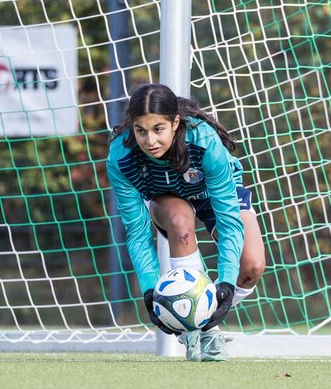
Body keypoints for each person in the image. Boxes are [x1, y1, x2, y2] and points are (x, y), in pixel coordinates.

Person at [107, 83, 265, 362]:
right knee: (181, 222)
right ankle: (203, 332)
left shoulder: (204, 142)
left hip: (214, 192)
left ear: (175, 122)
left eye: (158, 129)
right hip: (166, 198)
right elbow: (137, 232)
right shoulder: (121, 157)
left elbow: (228, 220)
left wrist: (226, 282)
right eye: (140, 131)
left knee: (252, 265)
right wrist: (149, 288)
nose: (149, 141)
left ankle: (196, 315)